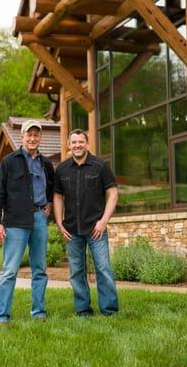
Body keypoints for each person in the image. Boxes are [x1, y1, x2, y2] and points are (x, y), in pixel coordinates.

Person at [0, 119, 54, 324]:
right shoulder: (9, 161)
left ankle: (39, 312)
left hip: (39, 220)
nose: (33, 138)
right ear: (22, 137)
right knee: (9, 271)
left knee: (40, 269)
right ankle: (2, 317)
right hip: (15, 221)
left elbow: (51, 188)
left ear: (40, 137)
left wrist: (49, 204)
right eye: (29, 135)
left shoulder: (46, 163)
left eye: (36, 135)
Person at [53, 129, 119, 317]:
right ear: (69, 145)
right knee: (76, 272)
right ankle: (83, 310)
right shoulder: (62, 169)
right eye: (73, 142)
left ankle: (109, 310)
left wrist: (103, 221)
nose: (77, 145)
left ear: (87, 144)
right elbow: (57, 197)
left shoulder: (100, 166)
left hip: (95, 229)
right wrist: (59, 223)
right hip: (71, 229)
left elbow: (113, 193)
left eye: (81, 142)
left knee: (103, 269)